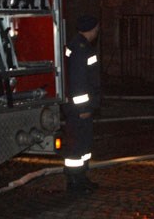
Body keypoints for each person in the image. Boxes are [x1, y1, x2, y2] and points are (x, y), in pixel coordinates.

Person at [63, 14, 101, 194]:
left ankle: (81, 178)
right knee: (78, 146)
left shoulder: (77, 45)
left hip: (78, 108)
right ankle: (75, 181)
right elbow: (78, 81)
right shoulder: (81, 49)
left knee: (82, 145)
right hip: (79, 109)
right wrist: (83, 108)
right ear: (92, 29)